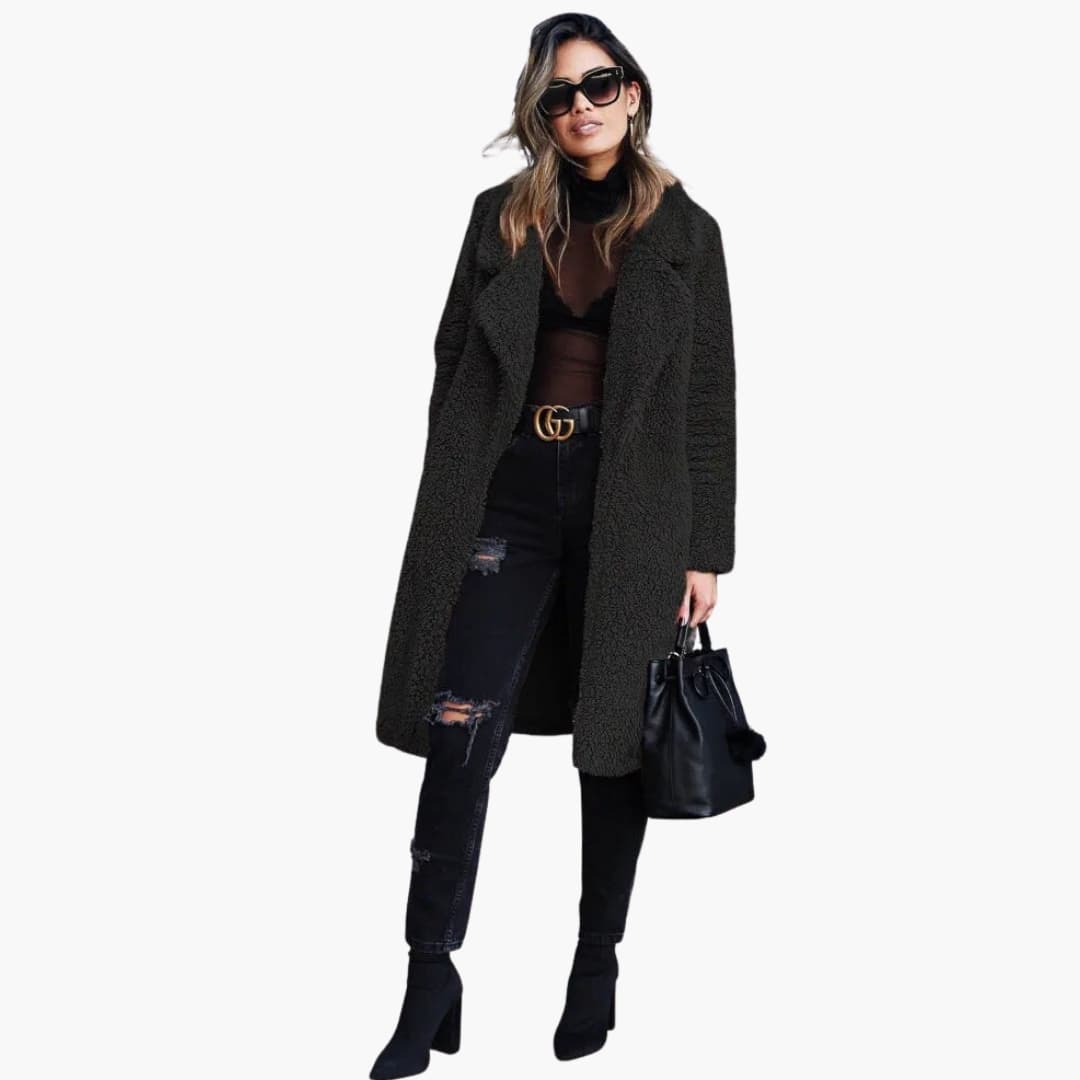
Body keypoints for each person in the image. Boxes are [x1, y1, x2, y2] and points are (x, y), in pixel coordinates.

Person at [370, 13, 737, 1077]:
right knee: (457, 728)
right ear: (540, 113)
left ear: (633, 91)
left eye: (599, 83)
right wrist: (455, 477)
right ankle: (429, 972)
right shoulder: (501, 217)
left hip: (635, 507)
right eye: (559, 94)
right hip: (509, 494)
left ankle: (595, 960)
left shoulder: (688, 232)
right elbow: (452, 355)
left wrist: (705, 550)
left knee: (614, 738)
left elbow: (708, 398)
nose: (582, 106)